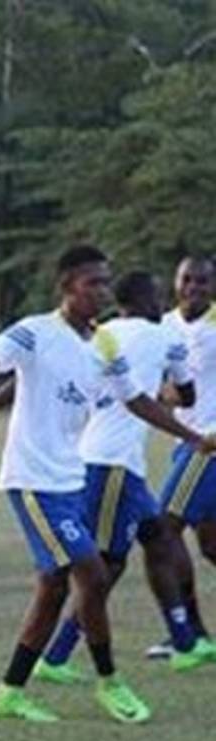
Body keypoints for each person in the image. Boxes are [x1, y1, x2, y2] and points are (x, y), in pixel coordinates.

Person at [0, 245, 216, 725]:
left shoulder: (103, 343)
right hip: (32, 479)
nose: (103, 292)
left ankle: (11, 690)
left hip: (70, 478)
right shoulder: (34, 331)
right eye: (93, 283)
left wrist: (193, 437)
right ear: (67, 287)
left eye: (107, 283)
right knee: (91, 572)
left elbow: (138, 402)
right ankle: (110, 681)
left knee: (53, 586)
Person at [152, 256, 216, 659]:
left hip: (208, 443)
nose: (194, 287)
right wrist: (168, 394)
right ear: (175, 283)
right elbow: (159, 383)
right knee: (211, 546)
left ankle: (190, 634)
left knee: (164, 527)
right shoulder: (165, 326)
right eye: (187, 279)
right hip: (184, 442)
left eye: (204, 281)